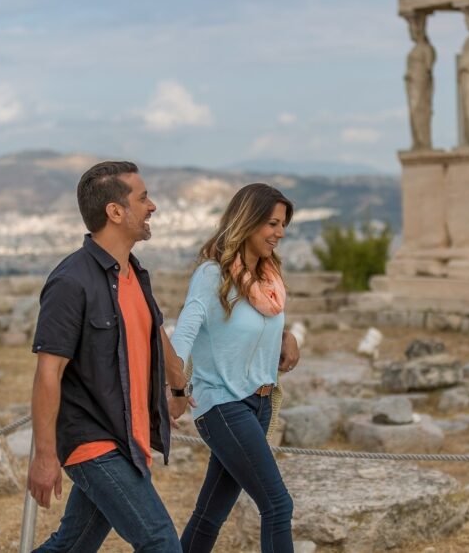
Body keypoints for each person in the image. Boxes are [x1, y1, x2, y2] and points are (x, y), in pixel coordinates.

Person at [28, 161, 188, 553]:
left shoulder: (133, 272)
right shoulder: (70, 281)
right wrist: (45, 457)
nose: (152, 207)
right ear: (115, 212)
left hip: (126, 440)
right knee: (161, 543)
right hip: (92, 441)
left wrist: (178, 388)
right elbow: (48, 373)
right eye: (143, 198)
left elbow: (154, 333)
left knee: (72, 545)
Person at [170, 183, 301, 553]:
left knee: (210, 514)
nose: (280, 233)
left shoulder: (268, 278)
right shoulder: (212, 275)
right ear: (248, 221)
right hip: (223, 406)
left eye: (282, 225)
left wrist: (287, 336)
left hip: (259, 404)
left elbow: (255, 325)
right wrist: (176, 389)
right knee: (277, 505)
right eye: (272, 224)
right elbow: (184, 334)